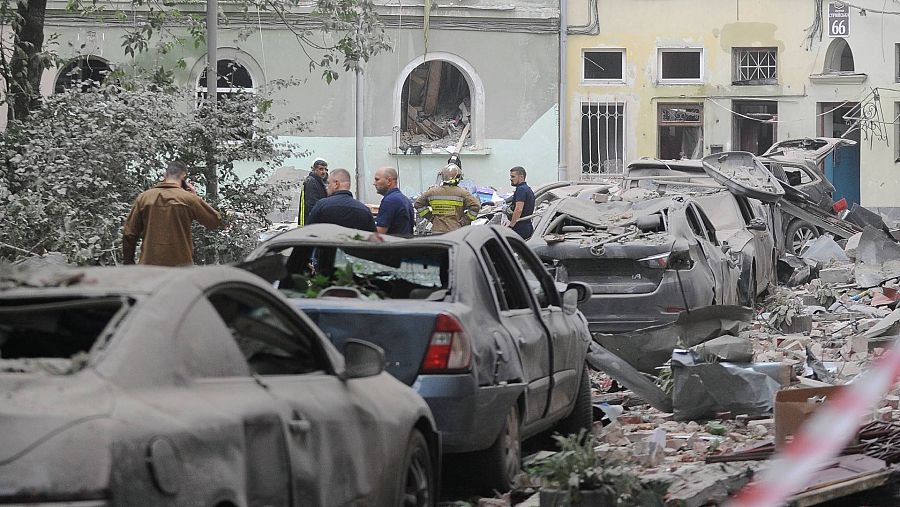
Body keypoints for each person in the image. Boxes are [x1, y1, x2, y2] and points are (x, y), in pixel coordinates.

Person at [122, 160, 222, 266]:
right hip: (180, 266)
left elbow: (129, 233)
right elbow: (214, 221)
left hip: (149, 266)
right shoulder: (188, 199)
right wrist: (195, 197)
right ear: (184, 178)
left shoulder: (144, 197)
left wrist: (129, 263)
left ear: (165, 175)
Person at [414, 163, 480, 233]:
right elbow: (476, 206)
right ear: (458, 178)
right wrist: (465, 221)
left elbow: (418, 205)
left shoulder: (432, 192)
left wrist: (431, 217)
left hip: (437, 230)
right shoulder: (463, 193)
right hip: (455, 230)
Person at [307, 168, 375, 231]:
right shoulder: (364, 210)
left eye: (328, 183)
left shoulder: (321, 206)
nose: (326, 187)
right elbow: (373, 239)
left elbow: (307, 232)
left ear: (336, 184)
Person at [373, 166, 415, 235]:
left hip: (393, 244)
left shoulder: (390, 201)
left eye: (377, 179)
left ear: (389, 181)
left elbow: (379, 233)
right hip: (405, 244)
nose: (374, 183)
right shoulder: (406, 200)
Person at [298, 158, 328, 226]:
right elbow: (312, 205)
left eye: (325, 169)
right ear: (314, 169)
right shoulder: (311, 181)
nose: (324, 172)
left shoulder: (321, 182)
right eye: (321, 169)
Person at [508, 166, 535, 240]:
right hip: (527, 226)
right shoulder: (527, 189)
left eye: (513, 176)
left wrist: (511, 226)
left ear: (521, 177)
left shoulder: (521, 189)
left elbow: (518, 209)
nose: (510, 179)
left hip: (520, 228)